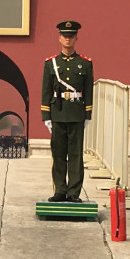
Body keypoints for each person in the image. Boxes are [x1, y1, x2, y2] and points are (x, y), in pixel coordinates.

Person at [41, 20, 94, 202]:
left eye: (71, 36)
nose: (68, 39)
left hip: (77, 113)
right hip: (58, 112)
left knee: (76, 155)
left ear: (76, 38)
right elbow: (46, 91)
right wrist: (46, 116)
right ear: (59, 38)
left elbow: (88, 90)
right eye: (65, 36)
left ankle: (73, 193)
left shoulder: (85, 64)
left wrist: (87, 114)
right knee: (58, 153)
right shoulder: (51, 64)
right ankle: (60, 190)